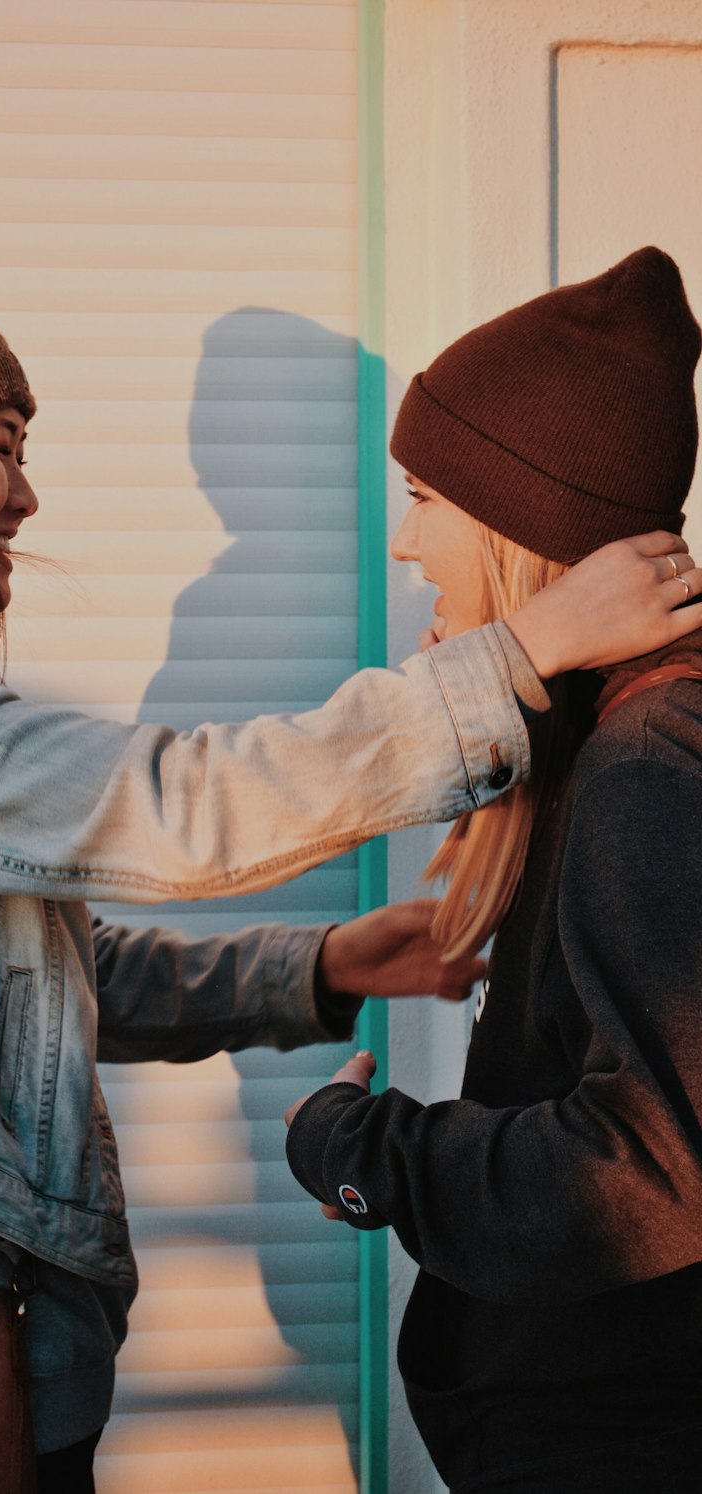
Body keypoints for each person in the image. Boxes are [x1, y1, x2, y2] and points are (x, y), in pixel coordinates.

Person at [0, 260, 698, 1494]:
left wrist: (320, 969)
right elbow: (177, 806)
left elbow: (52, 981)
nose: (25, 494)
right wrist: (518, 655)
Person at [285, 246, 702, 1492]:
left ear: (528, 522)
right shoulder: (604, 745)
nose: (407, 542)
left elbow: (649, 1169)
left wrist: (374, 1155)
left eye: (427, 495)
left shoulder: (650, 759)